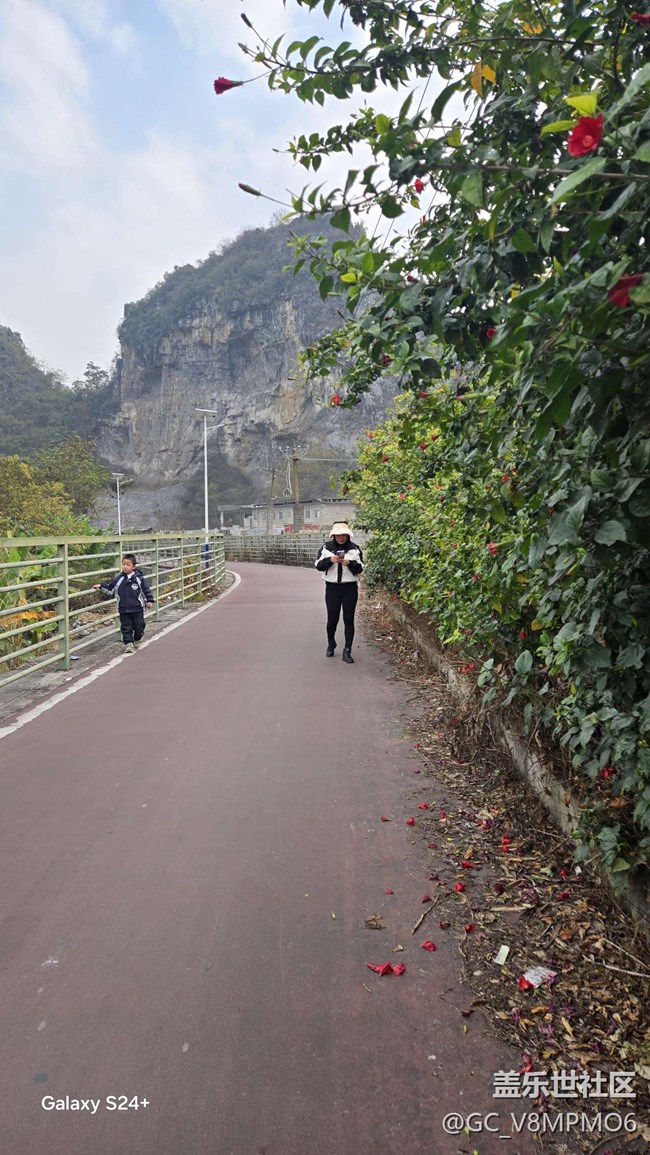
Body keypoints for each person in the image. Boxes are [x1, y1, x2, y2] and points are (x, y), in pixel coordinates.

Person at [315, 522, 364, 664]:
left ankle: (347, 650)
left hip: (350, 588)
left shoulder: (354, 549)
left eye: (343, 535)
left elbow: (360, 568)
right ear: (334, 536)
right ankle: (331, 643)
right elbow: (318, 565)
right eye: (338, 535)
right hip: (332, 588)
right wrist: (330, 560)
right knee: (332, 620)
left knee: (349, 619)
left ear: (348, 535)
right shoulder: (326, 548)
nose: (341, 538)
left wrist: (349, 563)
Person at [95, 553, 154, 654]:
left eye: (128, 565)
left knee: (139, 626)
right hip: (123, 608)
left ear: (134, 567)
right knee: (126, 627)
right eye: (123, 564)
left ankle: (137, 639)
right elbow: (110, 589)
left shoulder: (139, 578)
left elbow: (146, 590)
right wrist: (101, 586)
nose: (125, 567)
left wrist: (149, 600)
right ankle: (129, 644)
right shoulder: (119, 578)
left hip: (137, 608)